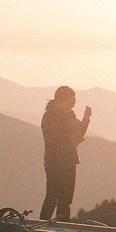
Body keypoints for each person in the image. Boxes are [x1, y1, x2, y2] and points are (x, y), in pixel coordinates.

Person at [39, 86, 92, 221]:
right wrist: (74, 130)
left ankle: (63, 226)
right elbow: (59, 140)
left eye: (73, 102)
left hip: (69, 160)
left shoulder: (70, 114)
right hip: (55, 162)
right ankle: (41, 225)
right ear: (59, 101)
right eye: (69, 102)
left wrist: (86, 119)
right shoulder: (49, 116)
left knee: (66, 198)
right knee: (52, 196)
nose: (72, 105)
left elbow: (78, 134)